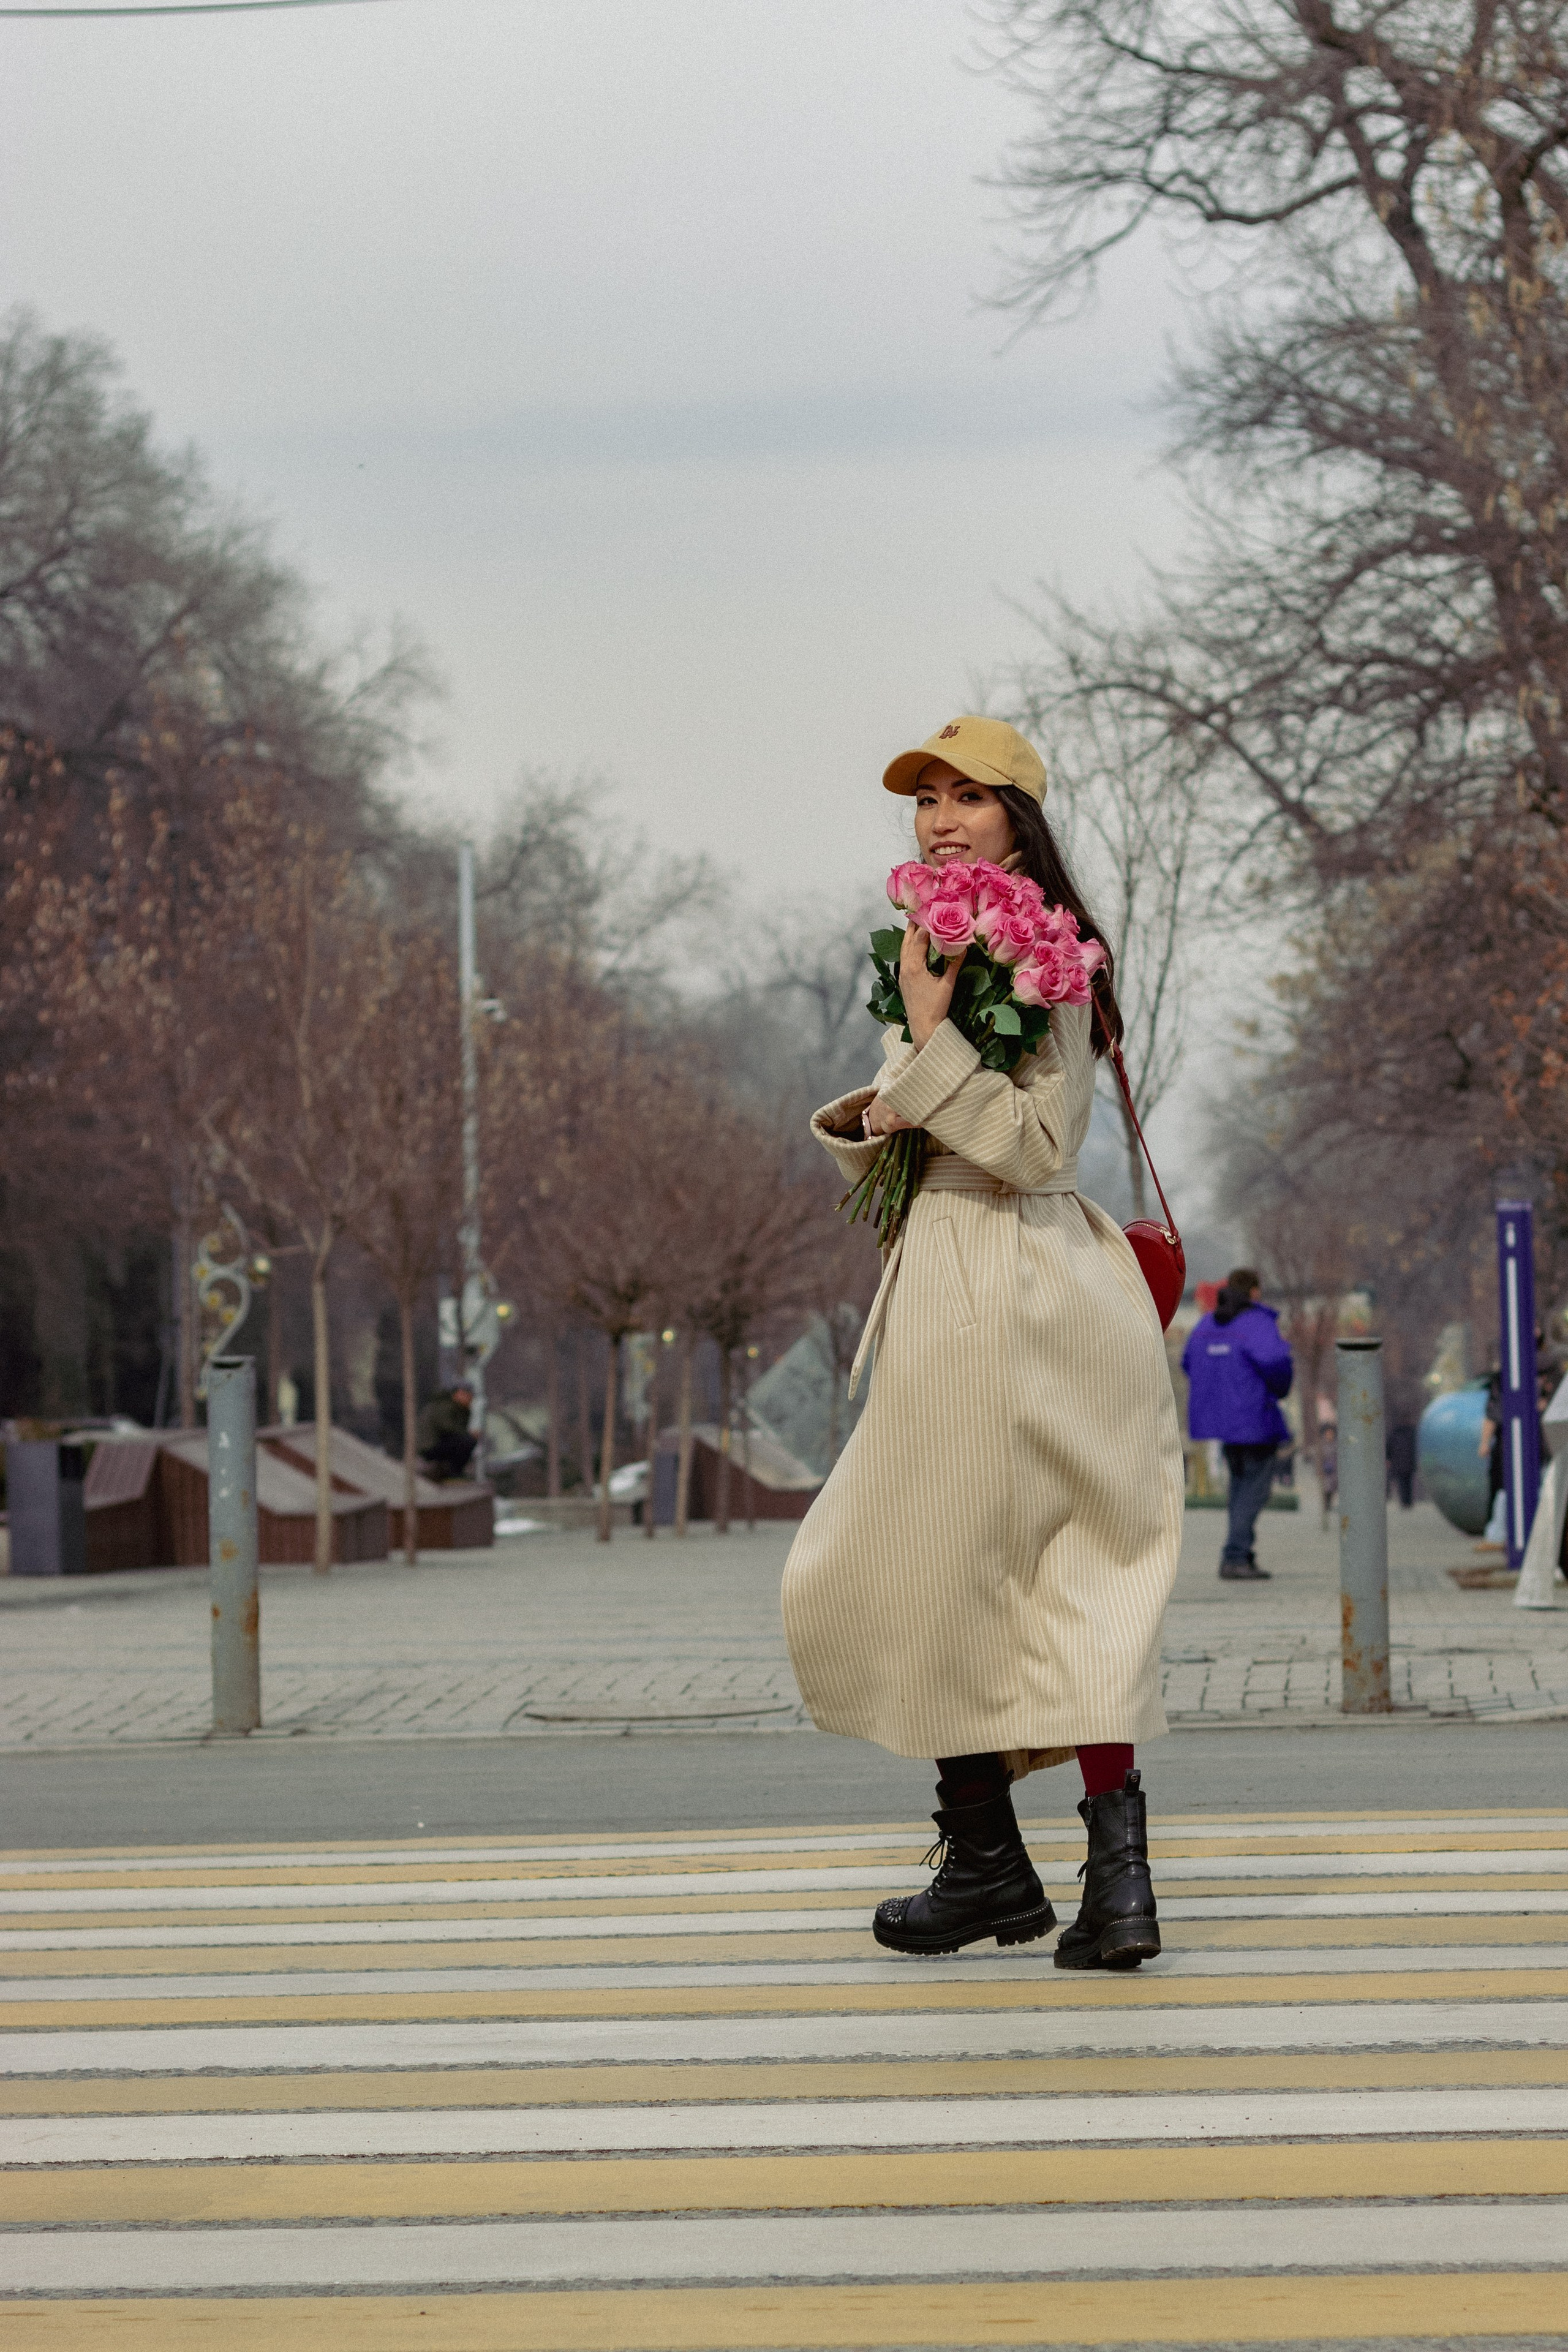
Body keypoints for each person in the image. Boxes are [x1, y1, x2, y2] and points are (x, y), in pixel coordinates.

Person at [782, 715, 1185, 1970]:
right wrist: (883, 1089)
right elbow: (922, 1127)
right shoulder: (940, 944)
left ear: (1021, 819)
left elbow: (1034, 1148)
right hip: (962, 1270)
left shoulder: (1042, 952)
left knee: (1011, 1575)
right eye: (926, 800)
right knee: (966, 1573)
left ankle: (1066, 1875)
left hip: (1014, 1275)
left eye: (971, 796)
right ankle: (1005, 1866)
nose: (942, 817)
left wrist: (923, 1032)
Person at [1181, 1270, 1293, 1580]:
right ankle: (1235, 1557)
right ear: (1254, 1292)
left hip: (1224, 1424)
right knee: (1254, 1492)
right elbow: (1276, 1363)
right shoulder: (1257, 1323)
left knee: (1240, 1488)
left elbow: (1189, 1362)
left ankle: (1241, 1553)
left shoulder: (1207, 1324)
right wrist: (1278, 1390)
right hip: (1255, 1419)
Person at [417, 1384, 478, 1482]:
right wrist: (469, 1435)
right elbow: (447, 1428)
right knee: (467, 1442)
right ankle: (454, 1473)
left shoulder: (458, 1408)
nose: (470, 1400)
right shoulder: (445, 1405)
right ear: (459, 1393)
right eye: (467, 1396)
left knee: (466, 1441)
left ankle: (452, 1472)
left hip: (437, 1443)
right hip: (430, 1445)